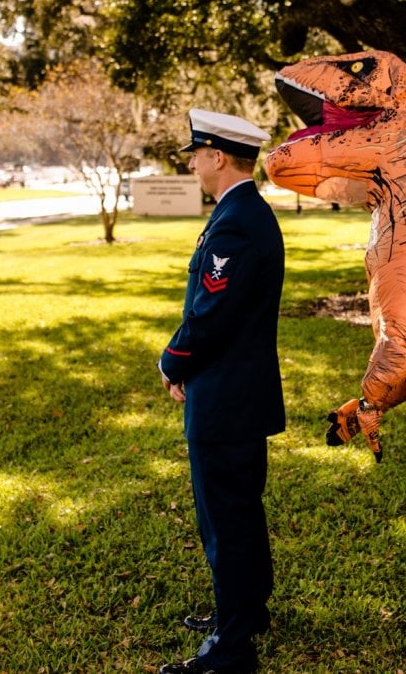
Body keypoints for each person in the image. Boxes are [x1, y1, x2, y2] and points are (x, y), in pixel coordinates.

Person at [158, 109, 285, 674]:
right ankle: (247, 610)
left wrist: (172, 361)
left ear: (217, 156)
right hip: (239, 390)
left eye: (195, 153)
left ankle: (233, 649)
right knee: (240, 509)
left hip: (225, 397)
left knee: (225, 519)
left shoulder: (236, 221)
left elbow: (210, 315)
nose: (190, 161)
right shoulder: (245, 212)